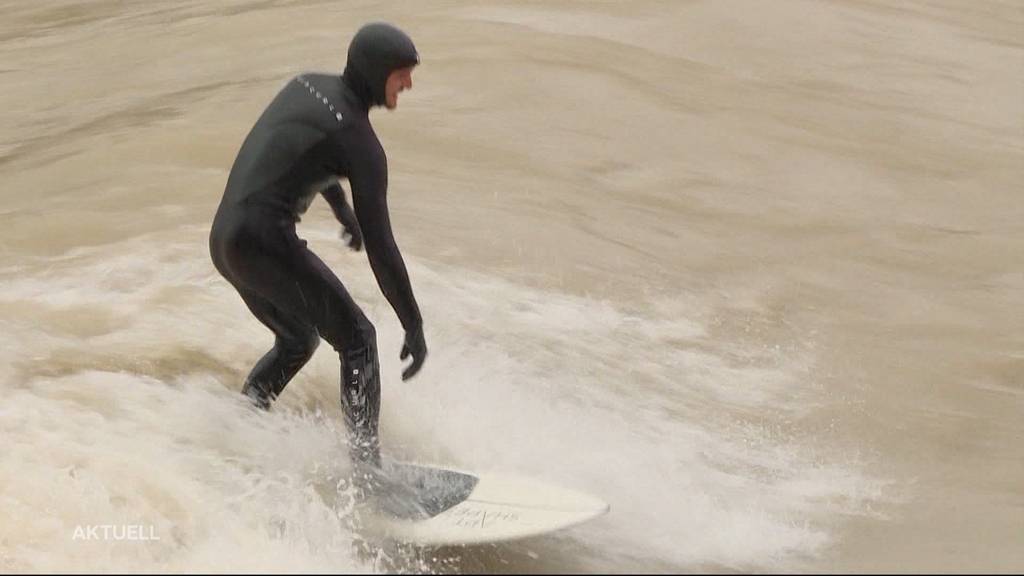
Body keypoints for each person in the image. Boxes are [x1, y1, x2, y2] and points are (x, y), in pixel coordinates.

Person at [209, 22, 426, 467]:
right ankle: (367, 476)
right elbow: (382, 249)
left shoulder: (307, 85)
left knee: (297, 339)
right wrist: (413, 323)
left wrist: (342, 210)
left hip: (225, 239)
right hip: (263, 242)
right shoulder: (361, 145)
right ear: (376, 70)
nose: (408, 83)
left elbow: (303, 143)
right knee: (359, 339)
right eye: (401, 73)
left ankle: (239, 429)